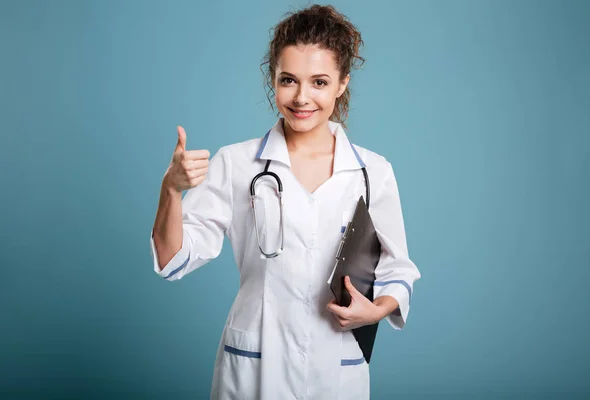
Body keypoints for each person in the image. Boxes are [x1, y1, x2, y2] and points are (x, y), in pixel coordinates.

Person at [151, 4, 421, 399]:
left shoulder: (372, 172)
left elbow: (398, 268)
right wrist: (171, 190)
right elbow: (172, 259)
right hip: (255, 366)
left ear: (342, 84)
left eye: (319, 82)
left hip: (337, 367)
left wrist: (377, 309)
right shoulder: (238, 163)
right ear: (272, 79)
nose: (301, 97)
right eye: (289, 80)